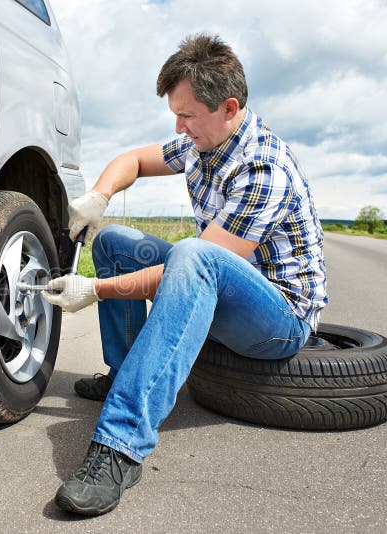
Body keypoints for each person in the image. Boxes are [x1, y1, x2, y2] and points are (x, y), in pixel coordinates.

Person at [42, 33, 328, 516]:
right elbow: (132, 160)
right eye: (176, 113)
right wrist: (100, 196)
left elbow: (199, 267)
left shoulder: (262, 167)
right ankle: (124, 372)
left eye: (188, 115)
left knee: (195, 255)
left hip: (279, 319)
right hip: (220, 288)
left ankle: (121, 446)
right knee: (112, 241)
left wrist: (95, 289)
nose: (179, 125)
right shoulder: (200, 144)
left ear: (229, 107)